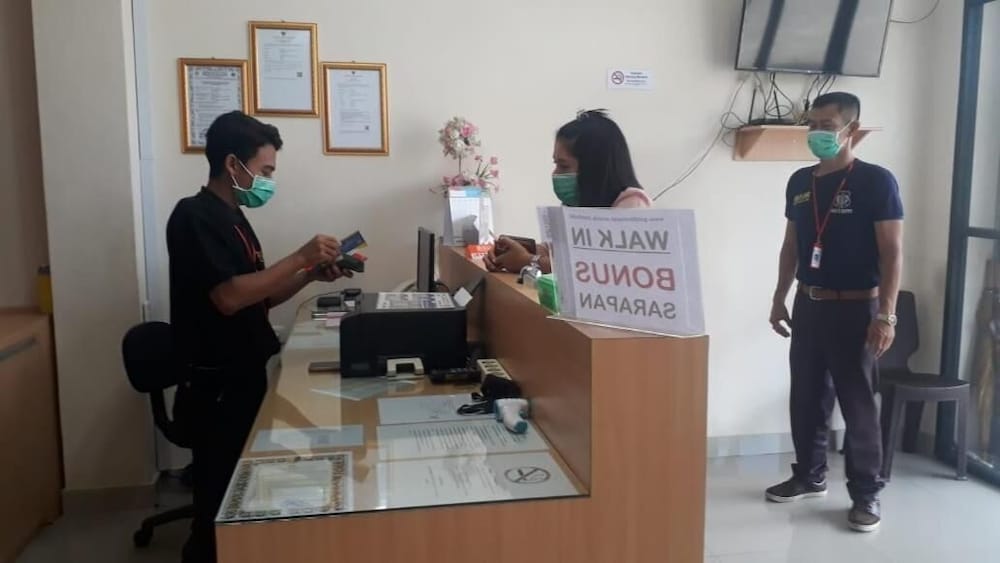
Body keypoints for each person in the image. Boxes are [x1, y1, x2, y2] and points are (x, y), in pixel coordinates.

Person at [167, 111, 348, 563]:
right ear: (233, 164)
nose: (268, 182)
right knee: (216, 505)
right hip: (215, 385)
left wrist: (309, 275)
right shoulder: (194, 216)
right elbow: (229, 298)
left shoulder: (236, 218)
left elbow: (258, 297)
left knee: (238, 490)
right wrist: (300, 256)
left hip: (244, 373)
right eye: (264, 171)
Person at [766, 92, 903, 533]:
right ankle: (809, 475)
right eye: (812, 124)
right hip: (809, 304)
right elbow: (791, 246)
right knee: (806, 397)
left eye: (826, 125)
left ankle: (866, 494)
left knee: (858, 403)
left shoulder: (876, 181)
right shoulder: (799, 182)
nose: (816, 133)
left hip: (857, 308)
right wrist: (779, 296)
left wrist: (886, 315)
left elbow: (892, 252)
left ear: (851, 130)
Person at [485, 109, 651, 274]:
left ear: (595, 169)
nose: (555, 174)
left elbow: (602, 269)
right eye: (556, 164)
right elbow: (554, 250)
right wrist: (513, 251)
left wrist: (528, 261)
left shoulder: (633, 205)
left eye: (564, 166)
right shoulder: (577, 205)